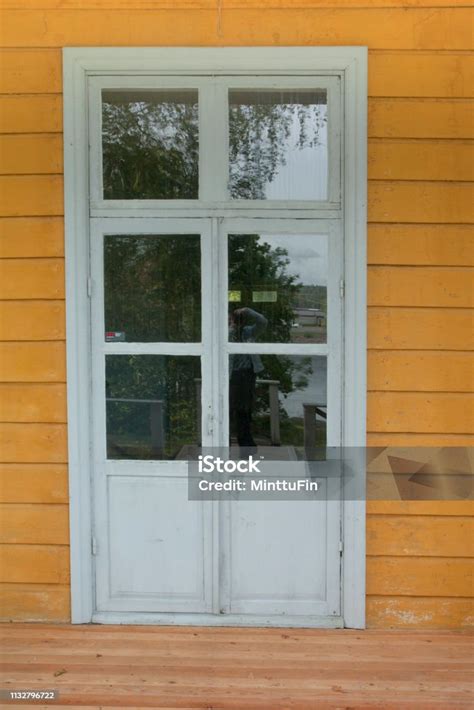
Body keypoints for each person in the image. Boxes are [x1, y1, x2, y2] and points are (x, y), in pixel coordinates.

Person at [229, 307, 268, 448]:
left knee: (245, 410)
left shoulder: (248, 332)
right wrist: (232, 328)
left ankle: (245, 444)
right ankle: (222, 443)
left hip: (247, 375)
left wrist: (248, 311)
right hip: (231, 376)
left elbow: (263, 322)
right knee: (228, 409)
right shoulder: (226, 334)